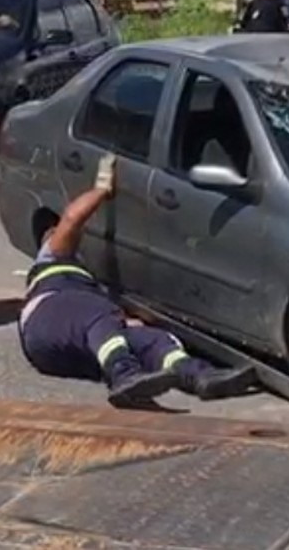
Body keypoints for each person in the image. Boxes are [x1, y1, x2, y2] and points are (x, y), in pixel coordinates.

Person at [20, 154, 258, 407]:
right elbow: (71, 220)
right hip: (44, 324)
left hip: (69, 352)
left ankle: (197, 375)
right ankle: (123, 375)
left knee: (151, 338)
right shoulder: (50, 261)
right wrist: (101, 189)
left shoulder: (83, 283)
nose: (67, 239)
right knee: (99, 314)